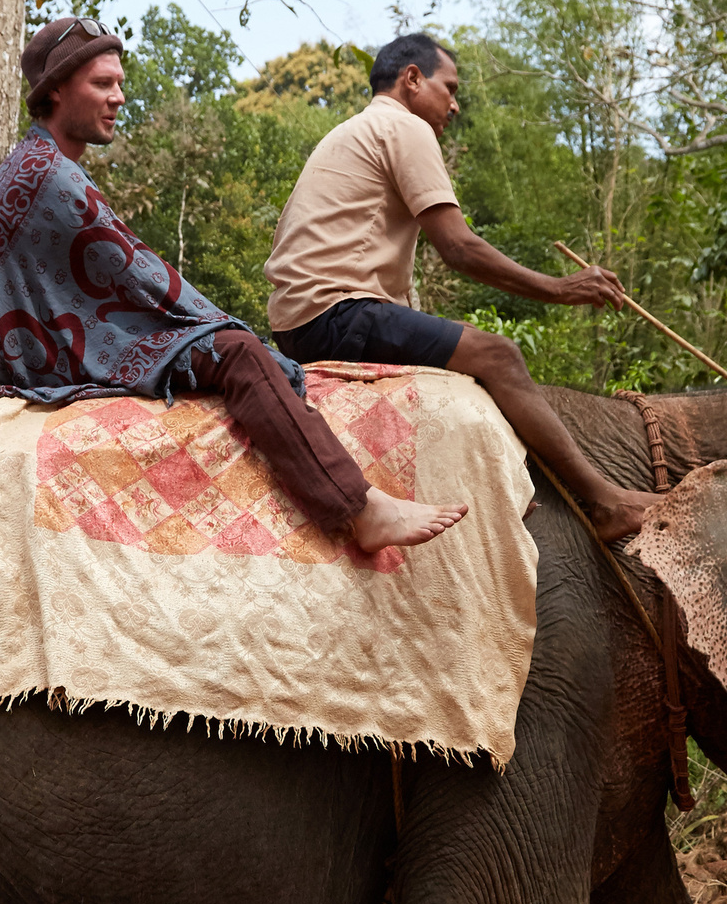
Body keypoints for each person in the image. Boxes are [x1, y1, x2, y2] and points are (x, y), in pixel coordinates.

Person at [0, 17, 468, 554]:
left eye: (119, 83)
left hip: (44, 350)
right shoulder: (53, 175)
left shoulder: (32, 165)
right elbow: (143, 276)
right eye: (102, 84)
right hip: (68, 358)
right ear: (54, 91)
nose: (119, 97)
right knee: (238, 353)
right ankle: (360, 509)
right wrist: (231, 330)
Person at [265, 32, 661, 540]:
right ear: (412, 78)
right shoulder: (404, 126)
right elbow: (458, 247)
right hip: (337, 312)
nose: (454, 105)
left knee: (460, 353)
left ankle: (504, 482)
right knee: (498, 356)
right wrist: (560, 288)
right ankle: (606, 502)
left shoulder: (352, 131)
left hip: (300, 321)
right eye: (449, 88)